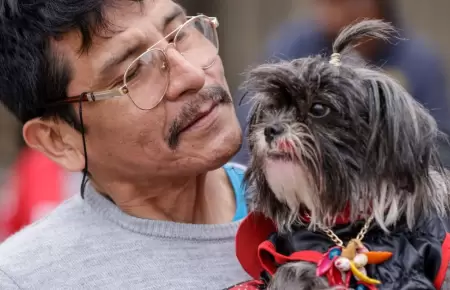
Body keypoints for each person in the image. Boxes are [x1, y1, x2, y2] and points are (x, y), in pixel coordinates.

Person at [0, 0, 250, 288]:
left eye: (180, 33)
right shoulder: (27, 279)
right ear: (59, 140)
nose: (192, 75)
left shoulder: (305, 205)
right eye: (134, 70)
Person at [233, 0, 450, 166]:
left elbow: (437, 145)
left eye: (340, 1)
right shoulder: (294, 45)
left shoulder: (419, 61)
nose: (330, 12)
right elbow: (253, 121)